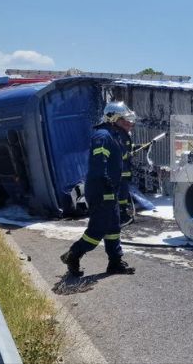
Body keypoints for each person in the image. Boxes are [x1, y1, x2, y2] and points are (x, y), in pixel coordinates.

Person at [60, 101, 137, 277]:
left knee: (113, 228)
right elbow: (98, 163)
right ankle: (73, 255)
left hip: (110, 190)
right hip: (101, 189)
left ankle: (115, 262)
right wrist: (106, 183)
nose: (129, 123)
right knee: (98, 230)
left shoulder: (114, 136)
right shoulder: (102, 136)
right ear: (113, 119)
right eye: (124, 120)